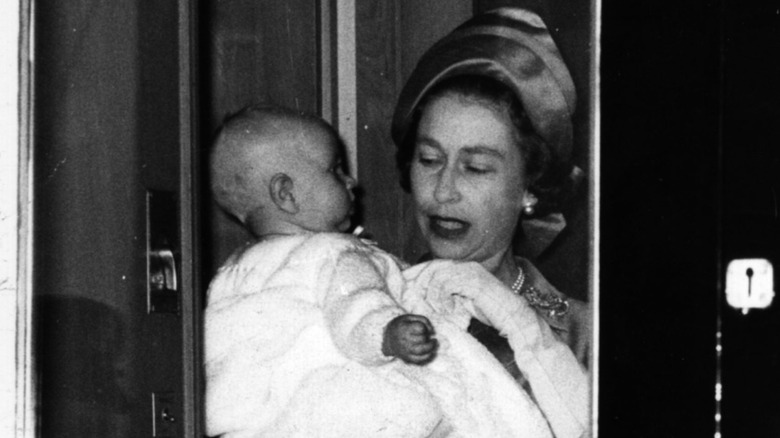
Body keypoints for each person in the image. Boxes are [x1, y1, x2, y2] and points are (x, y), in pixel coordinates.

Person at [204, 105, 556, 438]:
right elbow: (358, 305)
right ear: (286, 194)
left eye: (476, 166)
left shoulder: (231, 273)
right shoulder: (333, 252)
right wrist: (386, 333)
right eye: (334, 169)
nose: (351, 180)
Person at [392, 7, 592, 437]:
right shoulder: (373, 306)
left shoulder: (582, 336)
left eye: (476, 167)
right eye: (429, 160)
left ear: (529, 189)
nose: (443, 190)